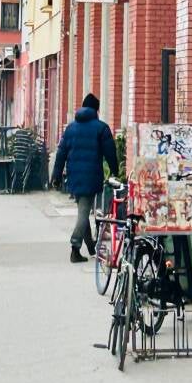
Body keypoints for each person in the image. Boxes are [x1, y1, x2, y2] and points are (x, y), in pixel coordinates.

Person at [51, 93, 118, 263]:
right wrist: (115, 171)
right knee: (83, 212)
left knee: (83, 209)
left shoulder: (71, 128)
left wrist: (56, 176)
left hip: (74, 175)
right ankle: (75, 247)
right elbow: (110, 152)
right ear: (96, 109)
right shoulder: (101, 128)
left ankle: (90, 246)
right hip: (91, 175)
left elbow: (61, 153)